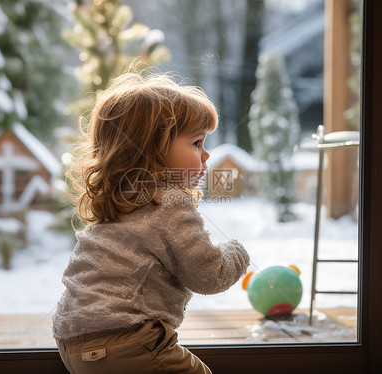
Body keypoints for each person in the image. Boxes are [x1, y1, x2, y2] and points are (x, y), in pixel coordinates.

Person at [53, 71, 250, 374]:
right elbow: (209, 275)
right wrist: (237, 252)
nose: (206, 153)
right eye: (196, 142)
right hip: (126, 339)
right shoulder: (168, 201)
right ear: (152, 150)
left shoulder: (118, 200)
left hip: (72, 342)